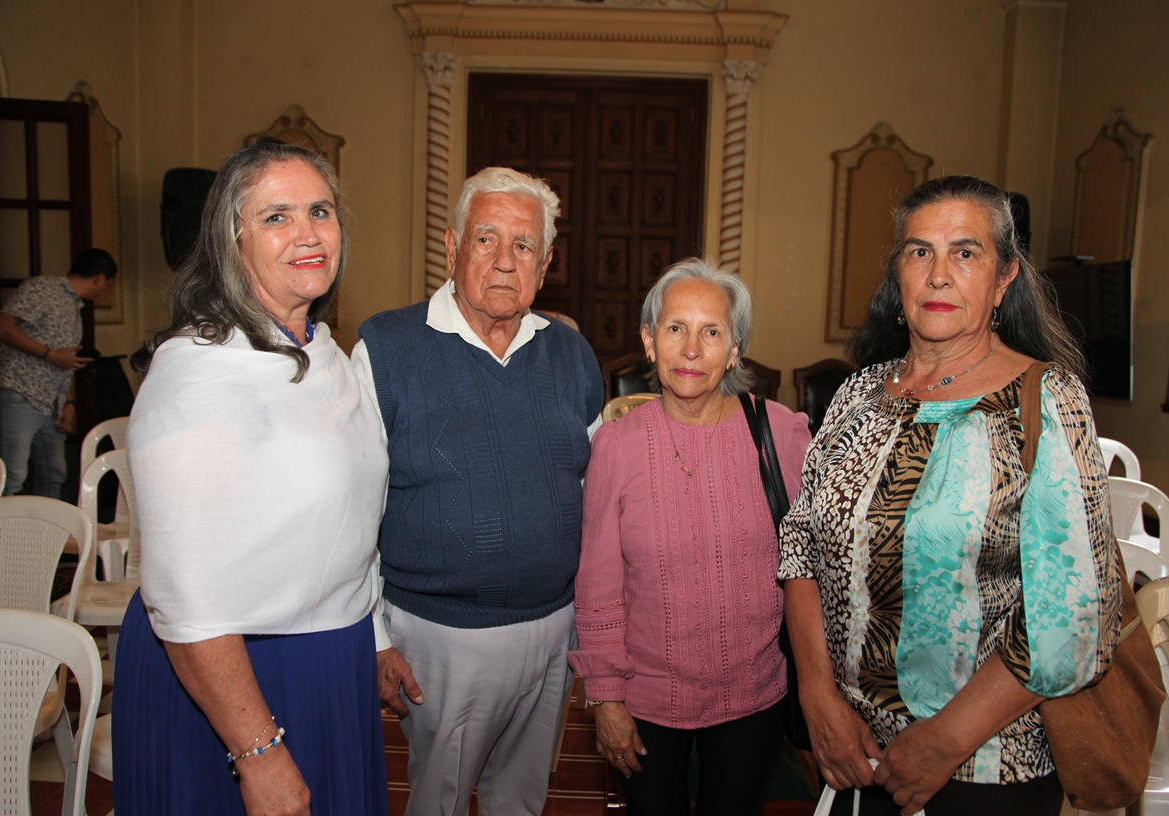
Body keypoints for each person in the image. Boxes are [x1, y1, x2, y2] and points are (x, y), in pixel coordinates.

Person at [778, 175, 1122, 816]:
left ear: (1003, 279)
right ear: (897, 277)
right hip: (853, 754)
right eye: (918, 252)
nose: (938, 275)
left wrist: (943, 742)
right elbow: (800, 543)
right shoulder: (861, 395)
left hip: (984, 768)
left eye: (965, 253)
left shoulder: (1045, 402)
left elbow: (1073, 623)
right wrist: (818, 697)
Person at [112, 137, 390, 816]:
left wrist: (373, 633)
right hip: (237, 679)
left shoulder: (326, 352)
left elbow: (351, 520)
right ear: (230, 242)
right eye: (276, 216)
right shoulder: (197, 373)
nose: (307, 233)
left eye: (320, 211)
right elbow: (185, 592)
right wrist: (258, 750)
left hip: (331, 661)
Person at [353, 166, 603, 816]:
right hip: (439, 636)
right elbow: (349, 511)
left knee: (520, 801)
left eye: (523, 246)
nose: (502, 261)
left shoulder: (572, 355)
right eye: (486, 238)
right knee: (436, 799)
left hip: (552, 629)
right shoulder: (386, 348)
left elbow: (596, 494)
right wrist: (374, 638)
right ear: (451, 245)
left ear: (545, 263)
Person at [569, 258, 812, 816]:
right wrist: (606, 696)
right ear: (649, 342)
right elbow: (599, 584)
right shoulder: (617, 446)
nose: (692, 349)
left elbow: (814, 564)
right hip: (648, 698)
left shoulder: (780, 432)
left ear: (735, 350)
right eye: (676, 328)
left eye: (712, 332)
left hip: (755, 695)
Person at [0, 247, 115, 497]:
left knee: (55, 473)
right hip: (17, 390)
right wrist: (48, 354)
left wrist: (69, 401)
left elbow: (66, 359)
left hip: (50, 400)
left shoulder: (74, 305)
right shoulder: (45, 287)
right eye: (107, 284)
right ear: (100, 279)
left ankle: (43, 535)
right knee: (11, 475)